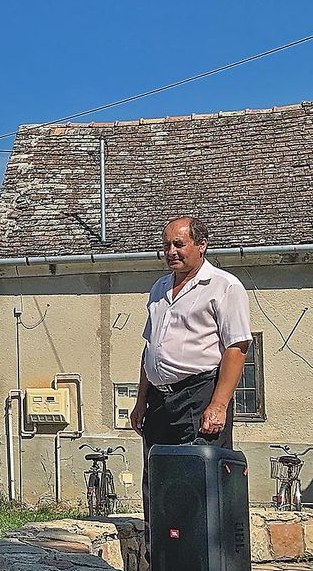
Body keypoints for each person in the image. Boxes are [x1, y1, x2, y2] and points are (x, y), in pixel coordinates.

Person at [130, 217, 251, 530]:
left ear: (201, 246)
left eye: (179, 244)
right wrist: (141, 400)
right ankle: (160, 555)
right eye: (167, 244)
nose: (171, 251)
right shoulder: (159, 288)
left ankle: (197, 556)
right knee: (158, 479)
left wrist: (219, 404)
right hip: (160, 401)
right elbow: (150, 349)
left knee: (196, 481)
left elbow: (237, 347)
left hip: (199, 396)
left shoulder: (224, 286)